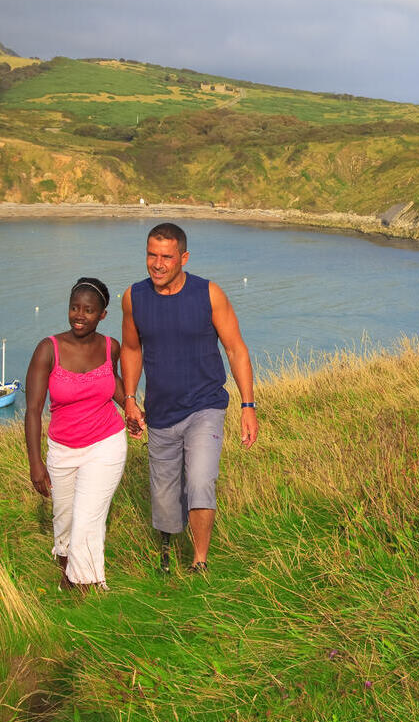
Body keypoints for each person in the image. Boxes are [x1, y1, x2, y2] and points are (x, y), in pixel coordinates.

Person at [121, 223, 258, 574]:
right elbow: (132, 349)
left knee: (199, 479)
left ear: (183, 257)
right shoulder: (133, 297)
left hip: (205, 405)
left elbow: (235, 349)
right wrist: (130, 399)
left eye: (167, 257)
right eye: (152, 255)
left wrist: (247, 405)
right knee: (165, 494)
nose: (158, 264)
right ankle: (167, 548)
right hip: (161, 412)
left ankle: (199, 561)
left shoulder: (208, 294)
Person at [25, 277, 127, 591]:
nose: (79, 315)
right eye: (74, 308)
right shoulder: (48, 349)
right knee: (65, 523)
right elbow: (32, 410)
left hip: (106, 442)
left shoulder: (111, 347)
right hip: (62, 449)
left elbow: (115, 387)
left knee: (88, 519)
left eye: (88, 310)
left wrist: (134, 410)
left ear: (103, 315)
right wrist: (35, 463)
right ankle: (70, 574)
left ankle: (87, 587)